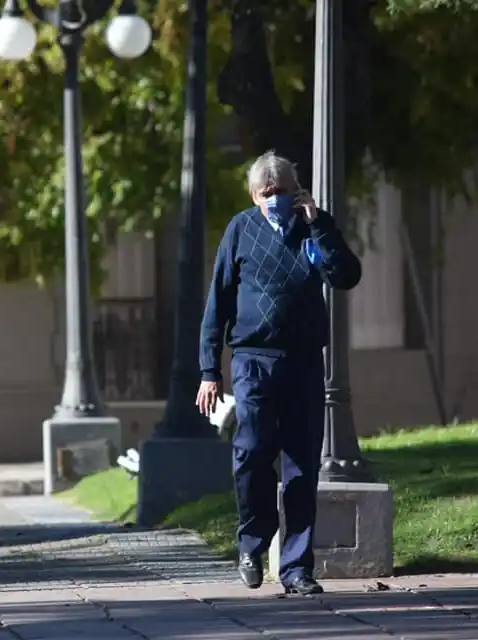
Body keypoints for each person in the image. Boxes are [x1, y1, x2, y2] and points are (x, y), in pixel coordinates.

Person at [196, 151, 361, 595]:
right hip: (253, 361)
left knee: (302, 467)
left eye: (281, 193)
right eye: (266, 194)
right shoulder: (240, 229)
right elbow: (219, 302)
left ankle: (296, 569)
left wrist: (320, 224)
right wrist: (209, 371)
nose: (274, 200)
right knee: (250, 452)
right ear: (254, 195)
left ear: (296, 191)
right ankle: (252, 541)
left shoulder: (313, 227)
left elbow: (345, 276)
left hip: (304, 362)